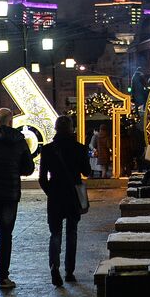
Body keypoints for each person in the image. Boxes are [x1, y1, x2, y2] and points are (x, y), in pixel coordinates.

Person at [0, 108, 34, 290]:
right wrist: (14, 169)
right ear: (11, 122)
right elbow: (28, 168)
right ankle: (3, 277)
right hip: (10, 193)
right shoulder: (20, 141)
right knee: (6, 235)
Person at [39, 115, 92, 285]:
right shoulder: (80, 148)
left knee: (55, 233)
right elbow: (87, 172)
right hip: (73, 196)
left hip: (55, 195)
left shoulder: (47, 149)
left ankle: (54, 267)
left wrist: (50, 192)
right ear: (72, 129)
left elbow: (42, 178)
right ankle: (70, 271)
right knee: (72, 232)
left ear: (55, 129)